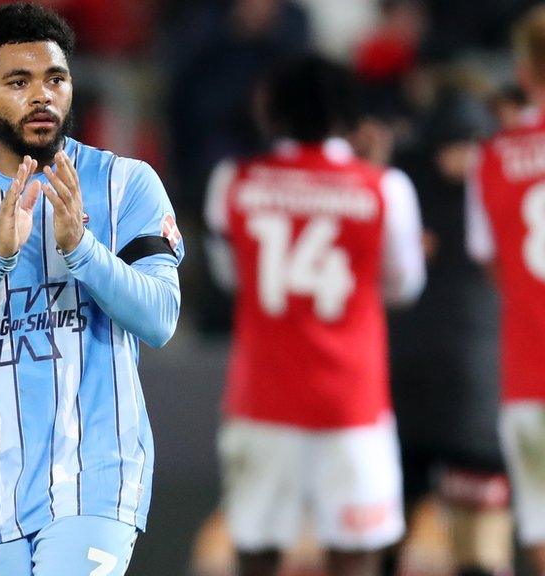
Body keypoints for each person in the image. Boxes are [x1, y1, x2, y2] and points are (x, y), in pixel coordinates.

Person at [0, 4, 184, 575]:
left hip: (96, 477)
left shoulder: (126, 183)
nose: (42, 96)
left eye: (55, 78)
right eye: (18, 82)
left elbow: (161, 318)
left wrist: (83, 251)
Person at [204, 55, 425, 576]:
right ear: (351, 117)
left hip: (261, 398)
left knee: (256, 550)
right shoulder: (384, 188)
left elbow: (232, 277)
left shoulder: (232, 182)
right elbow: (404, 286)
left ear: (273, 113)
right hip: (351, 403)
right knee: (355, 552)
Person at [389, 92, 511, 576]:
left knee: (479, 550)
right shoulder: (409, 189)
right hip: (428, 397)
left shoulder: (403, 188)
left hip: (464, 402)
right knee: (387, 540)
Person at [466, 6, 545, 573]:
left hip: (528, 373)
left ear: (524, 72)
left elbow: (492, 265)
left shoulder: (490, 159)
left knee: (539, 522)